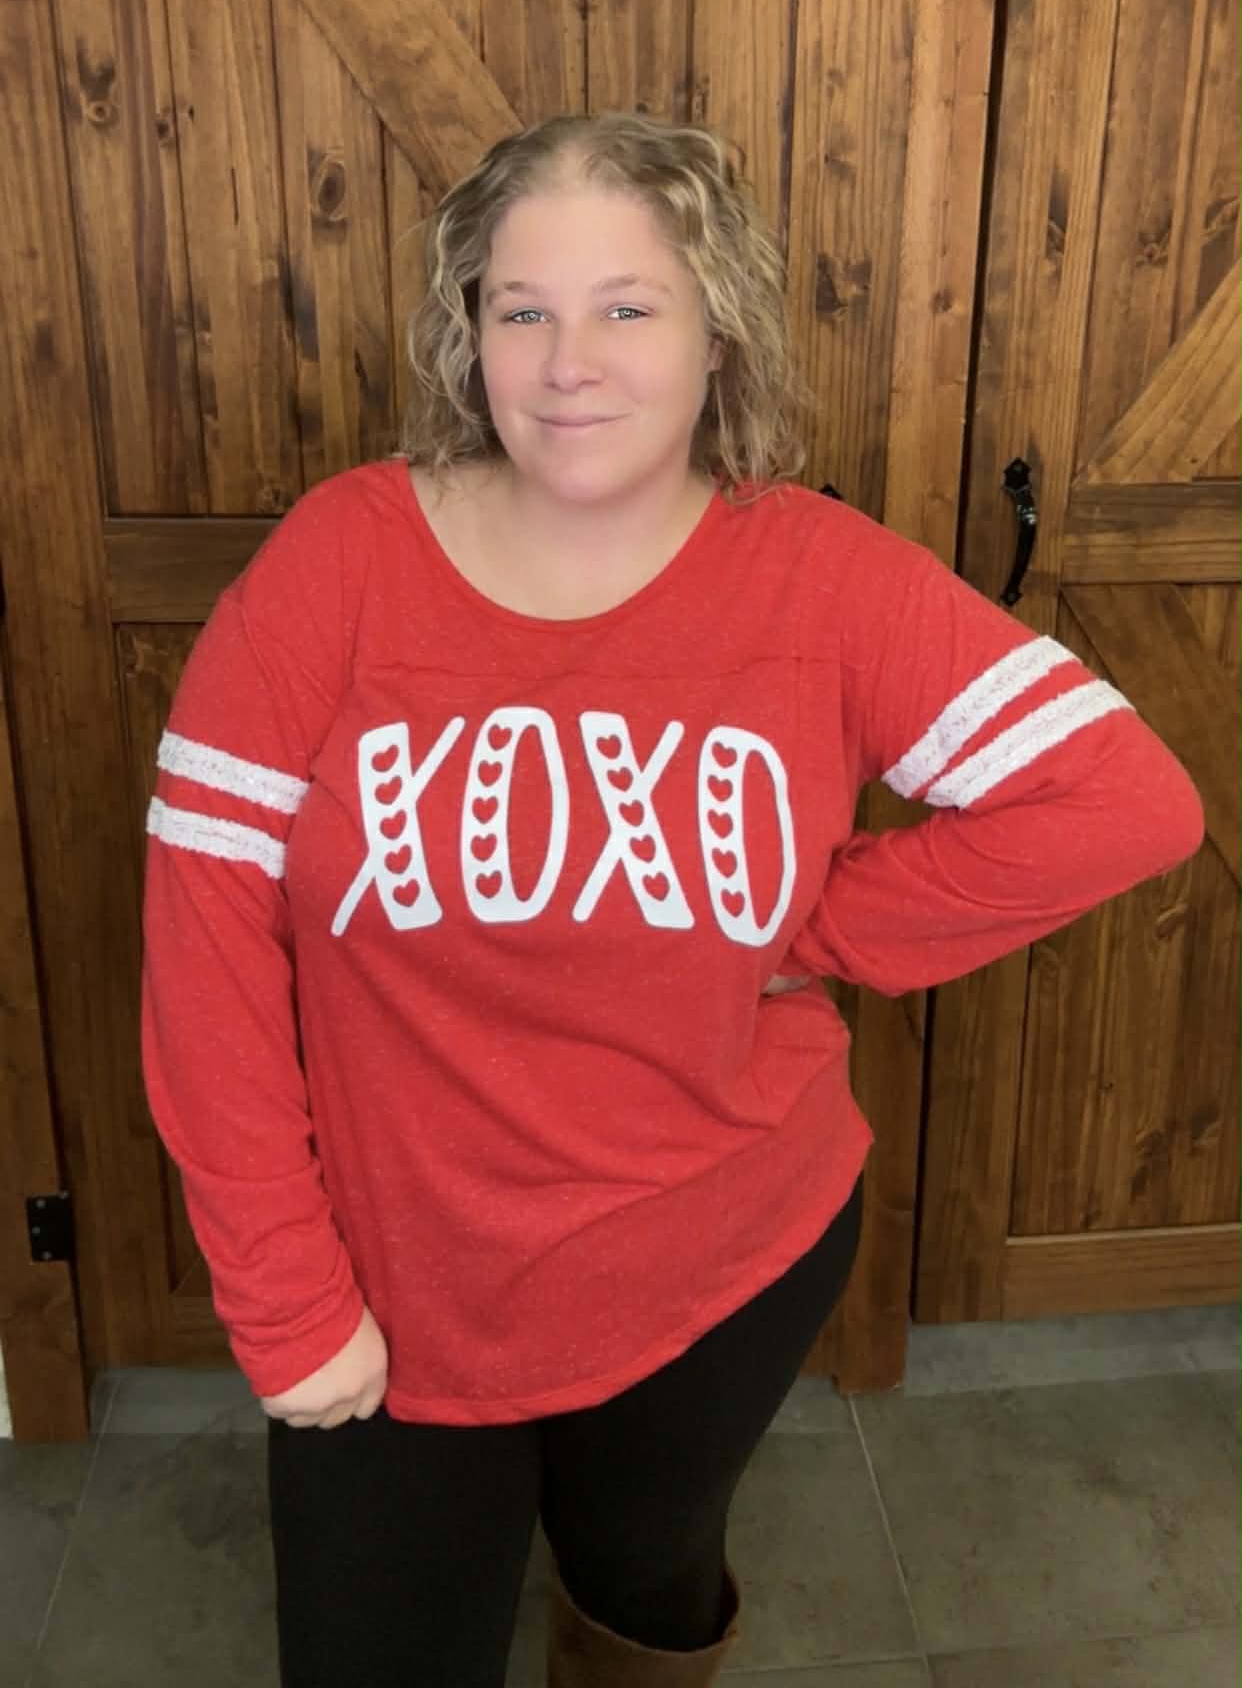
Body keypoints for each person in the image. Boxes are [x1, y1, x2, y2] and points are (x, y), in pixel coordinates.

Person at [140, 111, 1205, 1687]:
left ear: (717, 334)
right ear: (470, 333)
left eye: (626, 306)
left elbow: (1123, 802)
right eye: (523, 309)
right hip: (394, 1279)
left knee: (643, 1587)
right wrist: (286, 1297)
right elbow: (205, 948)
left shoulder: (821, 578)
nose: (568, 362)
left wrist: (816, 927)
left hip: (720, 1258)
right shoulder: (339, 562)